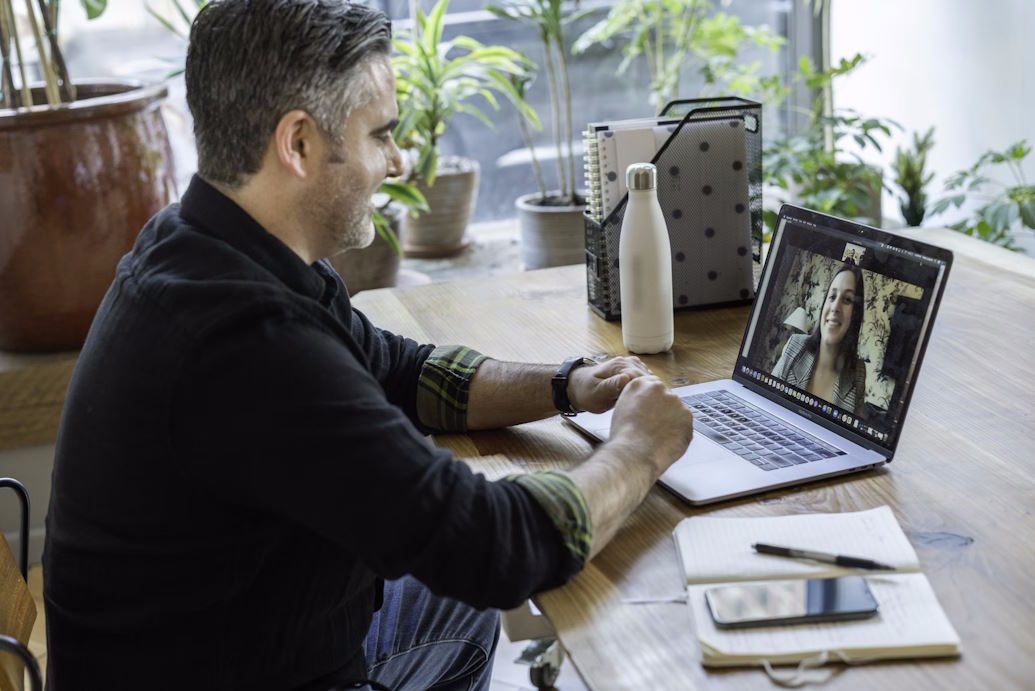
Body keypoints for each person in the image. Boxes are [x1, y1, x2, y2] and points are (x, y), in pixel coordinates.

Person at [41, 1, 694, 689]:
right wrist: (638, 449)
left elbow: (402, 370)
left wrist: (567, 382)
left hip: (236, 637)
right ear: (297, 144)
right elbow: (495, 547)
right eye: (380, 134)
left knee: (453, 592)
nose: (397, 160)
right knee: (495, 575)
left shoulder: (207, 243)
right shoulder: (246, 343)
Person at [772, 261, 867, 416]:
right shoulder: (794, 345)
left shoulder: (858, 372)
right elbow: (767, 399)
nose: (836, 307)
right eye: (832, 296)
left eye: (847, 300)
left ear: (855, 314)